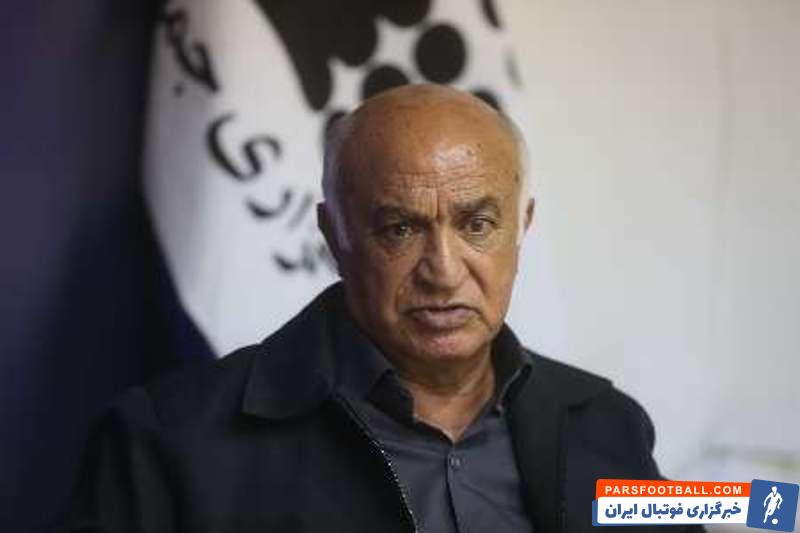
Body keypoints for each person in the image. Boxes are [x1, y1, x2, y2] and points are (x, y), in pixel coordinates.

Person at [65, 85, 699, 532]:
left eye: (477, 224)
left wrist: (751, 501)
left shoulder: (605, 423)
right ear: (334, 234)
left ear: (521, 226)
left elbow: (716, 510)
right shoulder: (168, 441)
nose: (443, 270)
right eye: (400, 229)